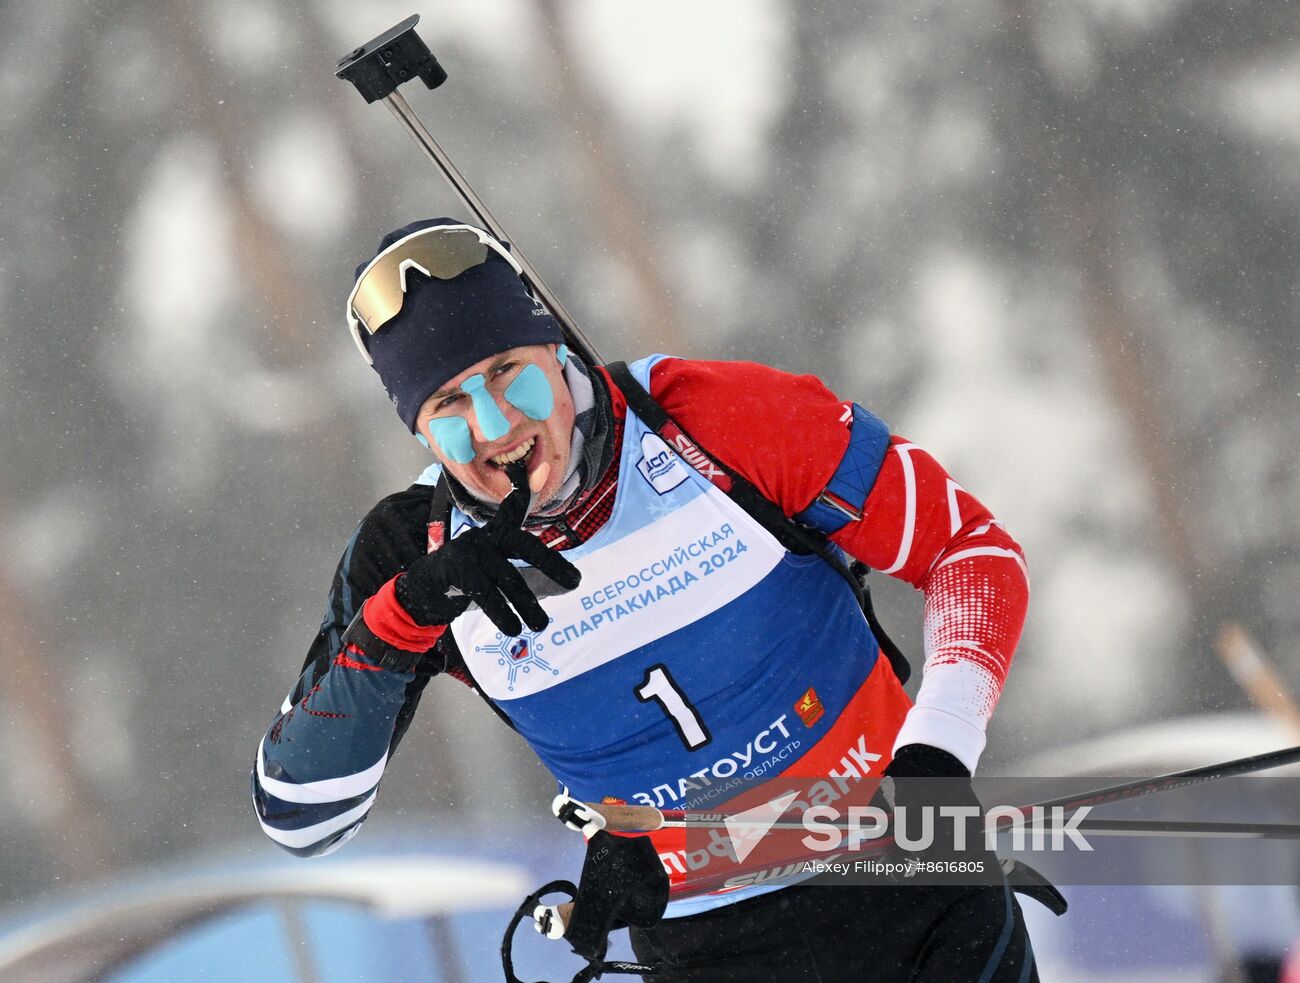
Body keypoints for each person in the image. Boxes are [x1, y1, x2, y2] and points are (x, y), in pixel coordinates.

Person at [252, 218, 1039, 981]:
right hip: (704, 951)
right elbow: (302, 815)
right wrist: (404, 617)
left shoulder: (712, 418)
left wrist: (938, 751)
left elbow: (969, 550)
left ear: (557, 349)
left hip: (914, 889)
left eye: (505, 369)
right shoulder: (412, 551)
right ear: (419, 432)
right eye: (448, 403)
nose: (495, 423)